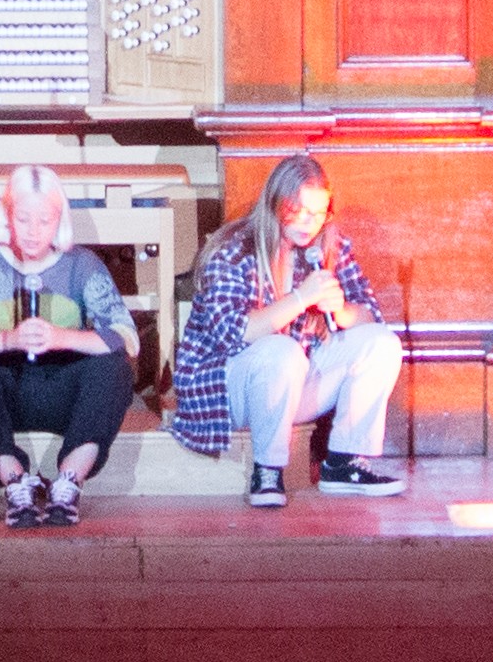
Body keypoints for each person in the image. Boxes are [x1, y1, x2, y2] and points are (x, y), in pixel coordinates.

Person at [167, 152, 404, 508]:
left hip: (293, 385)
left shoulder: (330, 247)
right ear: (278, 203)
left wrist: (341, 311)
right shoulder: (235, 250)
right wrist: (299, 297)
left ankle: (344, 462)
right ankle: (267, 470)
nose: (310, 223)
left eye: (319, 213)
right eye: (300, 211)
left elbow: (372, 316)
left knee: (381, 343)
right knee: (281, 350)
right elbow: (233, 333)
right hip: (229, 388)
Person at [0, 165, 139, 529]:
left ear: (59, 220)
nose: (33, 232)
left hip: (65, 392)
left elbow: (127, 336)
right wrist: (7, 339)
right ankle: (15, 480)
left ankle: (69, 482)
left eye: (44, 221)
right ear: (7, 216)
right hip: (4, 393)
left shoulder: (82, 265)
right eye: (23, 219)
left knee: (114, 368)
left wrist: (62, 338)